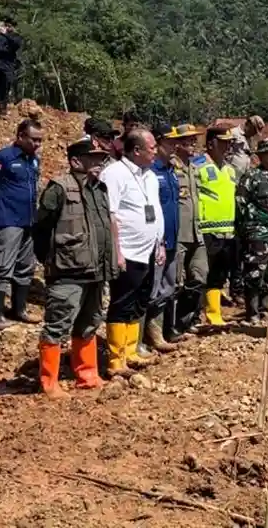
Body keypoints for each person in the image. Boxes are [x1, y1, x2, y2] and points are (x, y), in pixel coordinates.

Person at [33, 136, 115, 397]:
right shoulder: (59, 188)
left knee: (90, 321)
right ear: (76, 161)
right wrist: (51, 259)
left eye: (101, 159)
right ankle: (49, 382)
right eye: (93, 158)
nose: (99, 163)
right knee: (58, 323)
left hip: (96, 270)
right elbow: (41, 228)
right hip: (68, 270)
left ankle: (87, 374)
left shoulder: (100, 188)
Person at [100, 128, 165, 378]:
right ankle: (116, 359)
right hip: (127, 251)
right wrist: (117, 251)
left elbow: (154, 211)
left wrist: (159, 243)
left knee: (139, 300)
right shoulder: (115, 174)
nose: (156, 151)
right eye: (152, 148)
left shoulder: (149, 175)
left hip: (149, 249)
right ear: (136, 150)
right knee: (122, 302)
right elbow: (111, 215)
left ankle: (130, 351)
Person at [0, 118, 43, 330]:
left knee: (25, 267)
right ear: (20, 136)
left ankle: (19, 309)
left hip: (28, 221)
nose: (37, 144)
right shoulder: (3, 158)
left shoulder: (33, 160)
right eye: (33, 140)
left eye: (40, 141)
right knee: (2, 266)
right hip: (9, 220)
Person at [236, 139, 268, 326]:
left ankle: (266, 309)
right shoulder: (252, 176)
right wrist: (248, 227)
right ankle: (252, 313)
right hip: (257, 233)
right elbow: (240, 203)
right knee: (254, 274)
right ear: (261, 156)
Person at [143, 123, 181, 356]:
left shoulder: (170, 170)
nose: (175, 146)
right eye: (170, 141)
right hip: (156, 242)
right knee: (152, 289)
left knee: (169, 287)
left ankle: (162, 331)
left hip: (172, 238)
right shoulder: (151, 172)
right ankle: (148, 333)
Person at [166, 124, 206, 339]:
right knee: (175, 283)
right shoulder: (171, 167)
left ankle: (186, 320)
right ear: (178, 143)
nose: (193, 143)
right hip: (179, 234)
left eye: (194, 140)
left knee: (199, 276)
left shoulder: (193, 167)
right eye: (189, 140)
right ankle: (170, 328)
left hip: (196, 232)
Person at [197, 127, 239, 326]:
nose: (227, 146)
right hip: (206, 229)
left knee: (219, 275)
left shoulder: (230, 169)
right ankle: (196, 314)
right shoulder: (198, 166)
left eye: (229, 142)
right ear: (211, 143)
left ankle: (214, 315)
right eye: (223, 142)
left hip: (227, 230)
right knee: (201, 274)